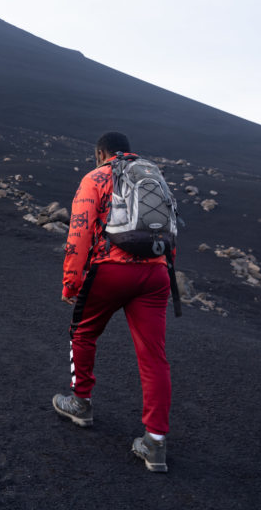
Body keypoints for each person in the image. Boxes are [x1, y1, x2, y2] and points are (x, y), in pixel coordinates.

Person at [53, 131, 173, 473]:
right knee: (154, 357)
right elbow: (168, 229)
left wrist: (71, 283)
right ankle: (155, 443)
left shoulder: (97, 176)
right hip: (155, 274)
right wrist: (164, 268)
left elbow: (80, 232)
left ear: (101, 152)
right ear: (129, 152)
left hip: (112, 270)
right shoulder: (153, 176)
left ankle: (81, 403)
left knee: (83, 333)